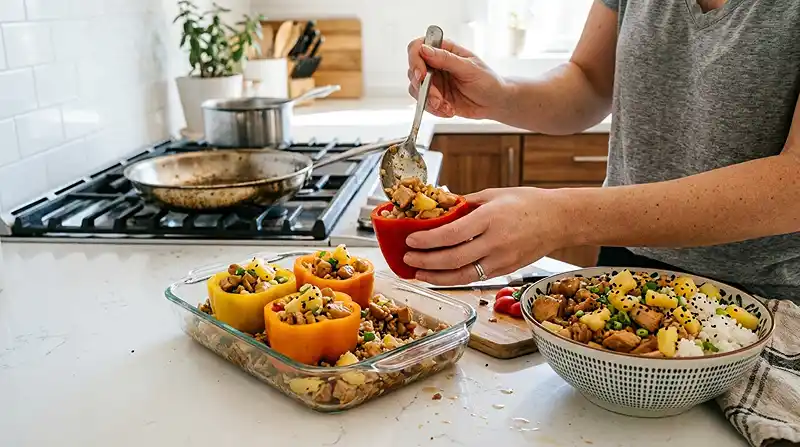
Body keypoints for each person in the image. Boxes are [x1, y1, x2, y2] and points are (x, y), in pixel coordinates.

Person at [402, 0, 800, 301]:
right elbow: (589, 82)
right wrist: (500, 96)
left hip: (769, 298)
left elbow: (793, 185)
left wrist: (561, 217)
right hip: (625, 267)